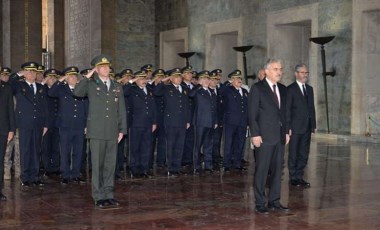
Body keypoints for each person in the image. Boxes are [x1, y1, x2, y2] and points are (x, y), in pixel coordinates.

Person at [73, 55, 127, 209]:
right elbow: (77, 92)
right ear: (96, 69)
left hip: (112, 131)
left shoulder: (117, 85)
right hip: (96, 131)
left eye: (107, 66)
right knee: (97, 165)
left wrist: (122, 129)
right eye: (101, 67)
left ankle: (108, 195)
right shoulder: (90, 84)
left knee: (110, 165)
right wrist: (87, 75)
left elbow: (121, 109)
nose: (105, 69)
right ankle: (98, 196)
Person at [248, 58, 290, 214]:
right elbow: (252, 114)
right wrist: (255, 134)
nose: (279, 72)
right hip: (263, 137)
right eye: (275, 69)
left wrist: (286, 131)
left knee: (278, 170)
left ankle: (274, 201)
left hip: (279, 136)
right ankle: (260, 202)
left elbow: (284, 113)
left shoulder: (283, 89)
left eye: (280, 69)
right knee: (262, 170)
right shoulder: (258, 88)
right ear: (266, 71)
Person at [9, 62, 48, 187]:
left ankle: (35, 176)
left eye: (34, 72)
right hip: (25, 122)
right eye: (29, 71)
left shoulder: (41, 87)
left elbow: (44, 106)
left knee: (36, 150)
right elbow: (8, 84)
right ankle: (25, 177)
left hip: (38, 123)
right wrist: (18, 74)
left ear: (37, 74)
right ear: (25, 73)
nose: (31, 74)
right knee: (25, 150)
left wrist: (46, 124)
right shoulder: (19, 85)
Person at [49, 67, 88, 185]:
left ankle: (75, 174)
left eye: (75, 76)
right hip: (65, 125)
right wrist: (61, 79)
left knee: (78, 151)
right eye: (71, 76)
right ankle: (65, 174)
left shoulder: (82, 90)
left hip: (79, 125)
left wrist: (86, 124)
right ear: (66, 78)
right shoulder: (61, 89)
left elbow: (87, 107)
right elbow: (50, 93)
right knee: (65, 151)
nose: (74, 78)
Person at [153, 68, 190, 177]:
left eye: (179, 77)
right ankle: (170, 167)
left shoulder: (184, 89)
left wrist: (187, 120)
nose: (178, 79)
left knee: (180, 145)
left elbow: (186, 106)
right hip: (170, 121)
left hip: (182, 121)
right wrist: (165, 80)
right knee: (170, 145)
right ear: (172, 78)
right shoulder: (166, 88)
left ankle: (177, 167)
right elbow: (156, 92)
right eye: (176, 76)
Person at [287, 64, 316, 188]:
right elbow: (287, 110)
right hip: (295, 127)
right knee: (294, 153)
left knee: (304, 153)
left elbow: (311, 108)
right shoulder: (290, 89)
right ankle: (293, 177)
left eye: (306, 72)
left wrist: (313, 126)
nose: (305, 75)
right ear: (296, 74)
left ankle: (300, 176)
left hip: (307, 127)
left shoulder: (309, 89)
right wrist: (288, 127)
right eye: (302, 72)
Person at [123, 70, 157, 178]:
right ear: (136, 80)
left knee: (146, 147)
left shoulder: (150, 90)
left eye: (145, 78)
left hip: (148, 123)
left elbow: (153, 107)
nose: (144, 81)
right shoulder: (132, 90)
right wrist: (131, 81)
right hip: (135, 123)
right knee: (135, 147)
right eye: (141, 79)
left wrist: (154, 122)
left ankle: (144, 169)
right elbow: (122, 92)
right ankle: (134, 169)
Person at [189, 71, 218, 174]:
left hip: (210, 122)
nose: (206, 81)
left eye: (208, 79)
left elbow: (214, 108)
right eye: (204, 79)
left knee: (208, 145)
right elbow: (190, 95)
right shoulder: (197, 91)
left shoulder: (212, 92)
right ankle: (196, 166)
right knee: (197, 145)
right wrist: (198, 86)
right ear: (200, 80)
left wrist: (215, 121)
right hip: (200, 122)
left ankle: (208, 166)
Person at [221, 70, 249, 172]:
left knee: (240, 143)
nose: (239, 80)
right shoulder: (227, 90)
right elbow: (220, 92)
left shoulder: (245, 92)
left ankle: (237, 163)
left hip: (242, 122)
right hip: (230, 122)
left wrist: (248, 122)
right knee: (228, 143)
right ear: (231, 80)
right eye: (236, 78)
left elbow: (247, 107)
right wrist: (227, 83)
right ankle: (226, 164)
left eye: (240, 78)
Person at [41, 69, 61, 177]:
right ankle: (47, 168)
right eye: (50, 77)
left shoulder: (58, 90)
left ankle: (56, 167)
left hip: (57, 123)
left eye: (54, 77)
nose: (52, 79)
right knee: (46, 147)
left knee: (56, 147)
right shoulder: (42, 89)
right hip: (46, 124)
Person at [0, 75, 15, 201]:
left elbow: (10, 109)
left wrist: (11, 129)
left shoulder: (6, 88)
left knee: (0, 161)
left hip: (3, 129)